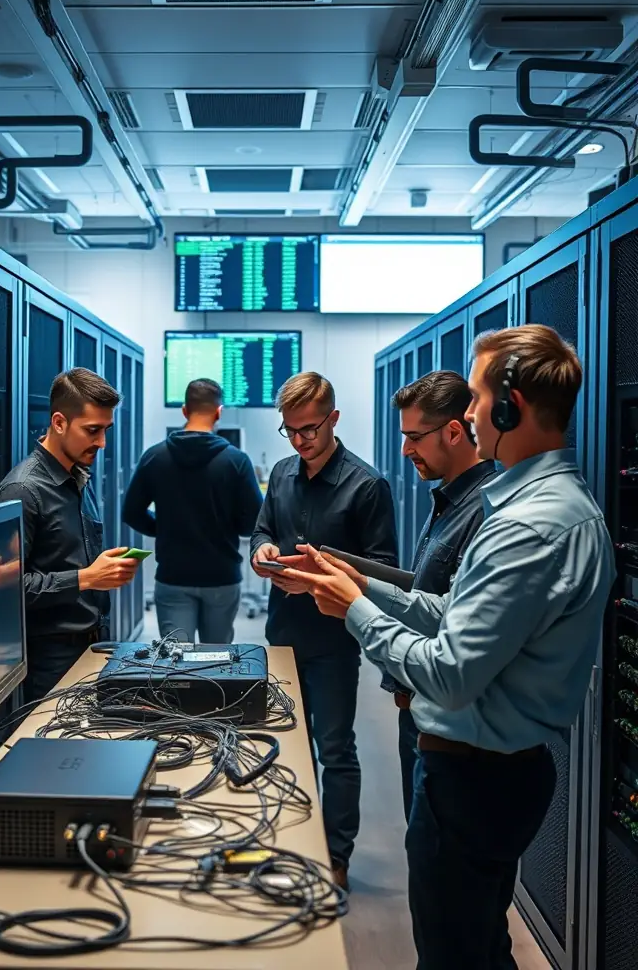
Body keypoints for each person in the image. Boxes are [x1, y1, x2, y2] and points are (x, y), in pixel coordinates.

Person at [280, 326, 615, 970]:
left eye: (478, 398)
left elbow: (451, 672)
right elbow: (450, 613)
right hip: (489, 772)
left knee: (452, 954)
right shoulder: (536, 506)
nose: (467, 413)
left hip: (473, 778)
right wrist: (363, 585)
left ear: (510, 407)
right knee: (480, 946)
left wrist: (355, 611)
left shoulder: (525, 525)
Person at [250, 371, 398, 891]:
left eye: (309, 428)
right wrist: (261, 551)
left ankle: (335, 856)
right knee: (288, 745)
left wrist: (316, 581)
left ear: (333, 418)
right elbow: (264, 527)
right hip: (282, 634)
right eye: (289, 430)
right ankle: (294, 843)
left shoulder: (367, 485)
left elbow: (382, 570)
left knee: (335, 748)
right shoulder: (285, 472)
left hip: (334, 641)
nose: (299, 440)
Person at [387, 370, 496, 822]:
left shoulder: (484, 510)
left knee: (442, 869)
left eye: (414, 437)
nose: (405, 450)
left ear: (454, 431)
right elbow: (426, 589)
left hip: (450, 729)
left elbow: (452, 622)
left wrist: (355, 599)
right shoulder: (450, 499)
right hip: (420, 710)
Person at [0, 368, 138, 704]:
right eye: (92, 430)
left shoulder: (77, 476)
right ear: (59, 423)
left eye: (106, 430)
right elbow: (3, 591)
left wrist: (102, 571)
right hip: (51, 658)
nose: (102, 442)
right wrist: (86, 578)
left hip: (94, 644)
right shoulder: (23, 491)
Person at [123, 378, 262, 643]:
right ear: (219, 412)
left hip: (173, 577)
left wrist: (162, 527)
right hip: (222, 578)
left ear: (184, 411)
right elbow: (253, 522)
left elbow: (131, 512)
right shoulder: (237, 461)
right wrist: (226, 526)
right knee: (218, 662)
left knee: (176, 667)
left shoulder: (155, 457)